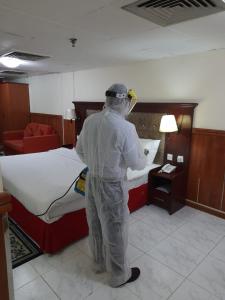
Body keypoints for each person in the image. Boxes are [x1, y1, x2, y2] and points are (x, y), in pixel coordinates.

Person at [76, 83, 147, 287]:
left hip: (92, 181)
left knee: (95, 223)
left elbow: (79, 151)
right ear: (124, 101)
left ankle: (98, 264)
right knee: (115, 229)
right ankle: (118, 275)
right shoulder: (125, 127)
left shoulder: (90, 121)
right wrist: (143, 158)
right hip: (112, 185)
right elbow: (136, 162)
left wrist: (95, 163)